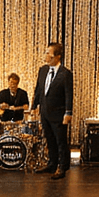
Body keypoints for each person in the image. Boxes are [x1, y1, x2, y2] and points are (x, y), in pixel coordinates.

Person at [31, 41, 73, 179]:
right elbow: (38, 90)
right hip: (45, 112)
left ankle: (62, 167)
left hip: (59, 113)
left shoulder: (65, 74)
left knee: (60, 141)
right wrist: (34, 106)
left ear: (57, 57)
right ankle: (52, 164)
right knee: (49, 139)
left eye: (48, 53)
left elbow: (68, 94)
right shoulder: (42, 70)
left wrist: (68, 112)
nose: (45, 55)